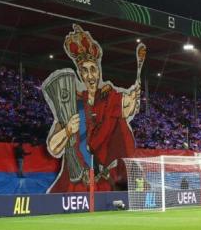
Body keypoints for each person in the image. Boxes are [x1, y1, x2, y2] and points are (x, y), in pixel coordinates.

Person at [45, 25, 141, 193]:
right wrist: (67, 130)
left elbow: (125, 111)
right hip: (76, 181)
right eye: (84, 71)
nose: (89, 76)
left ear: (98, 71)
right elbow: (54, 148)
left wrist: (133, 97)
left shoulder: (108, 97)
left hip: (102, 179)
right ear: (80, 74)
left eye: (93, 70)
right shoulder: (72, 103)